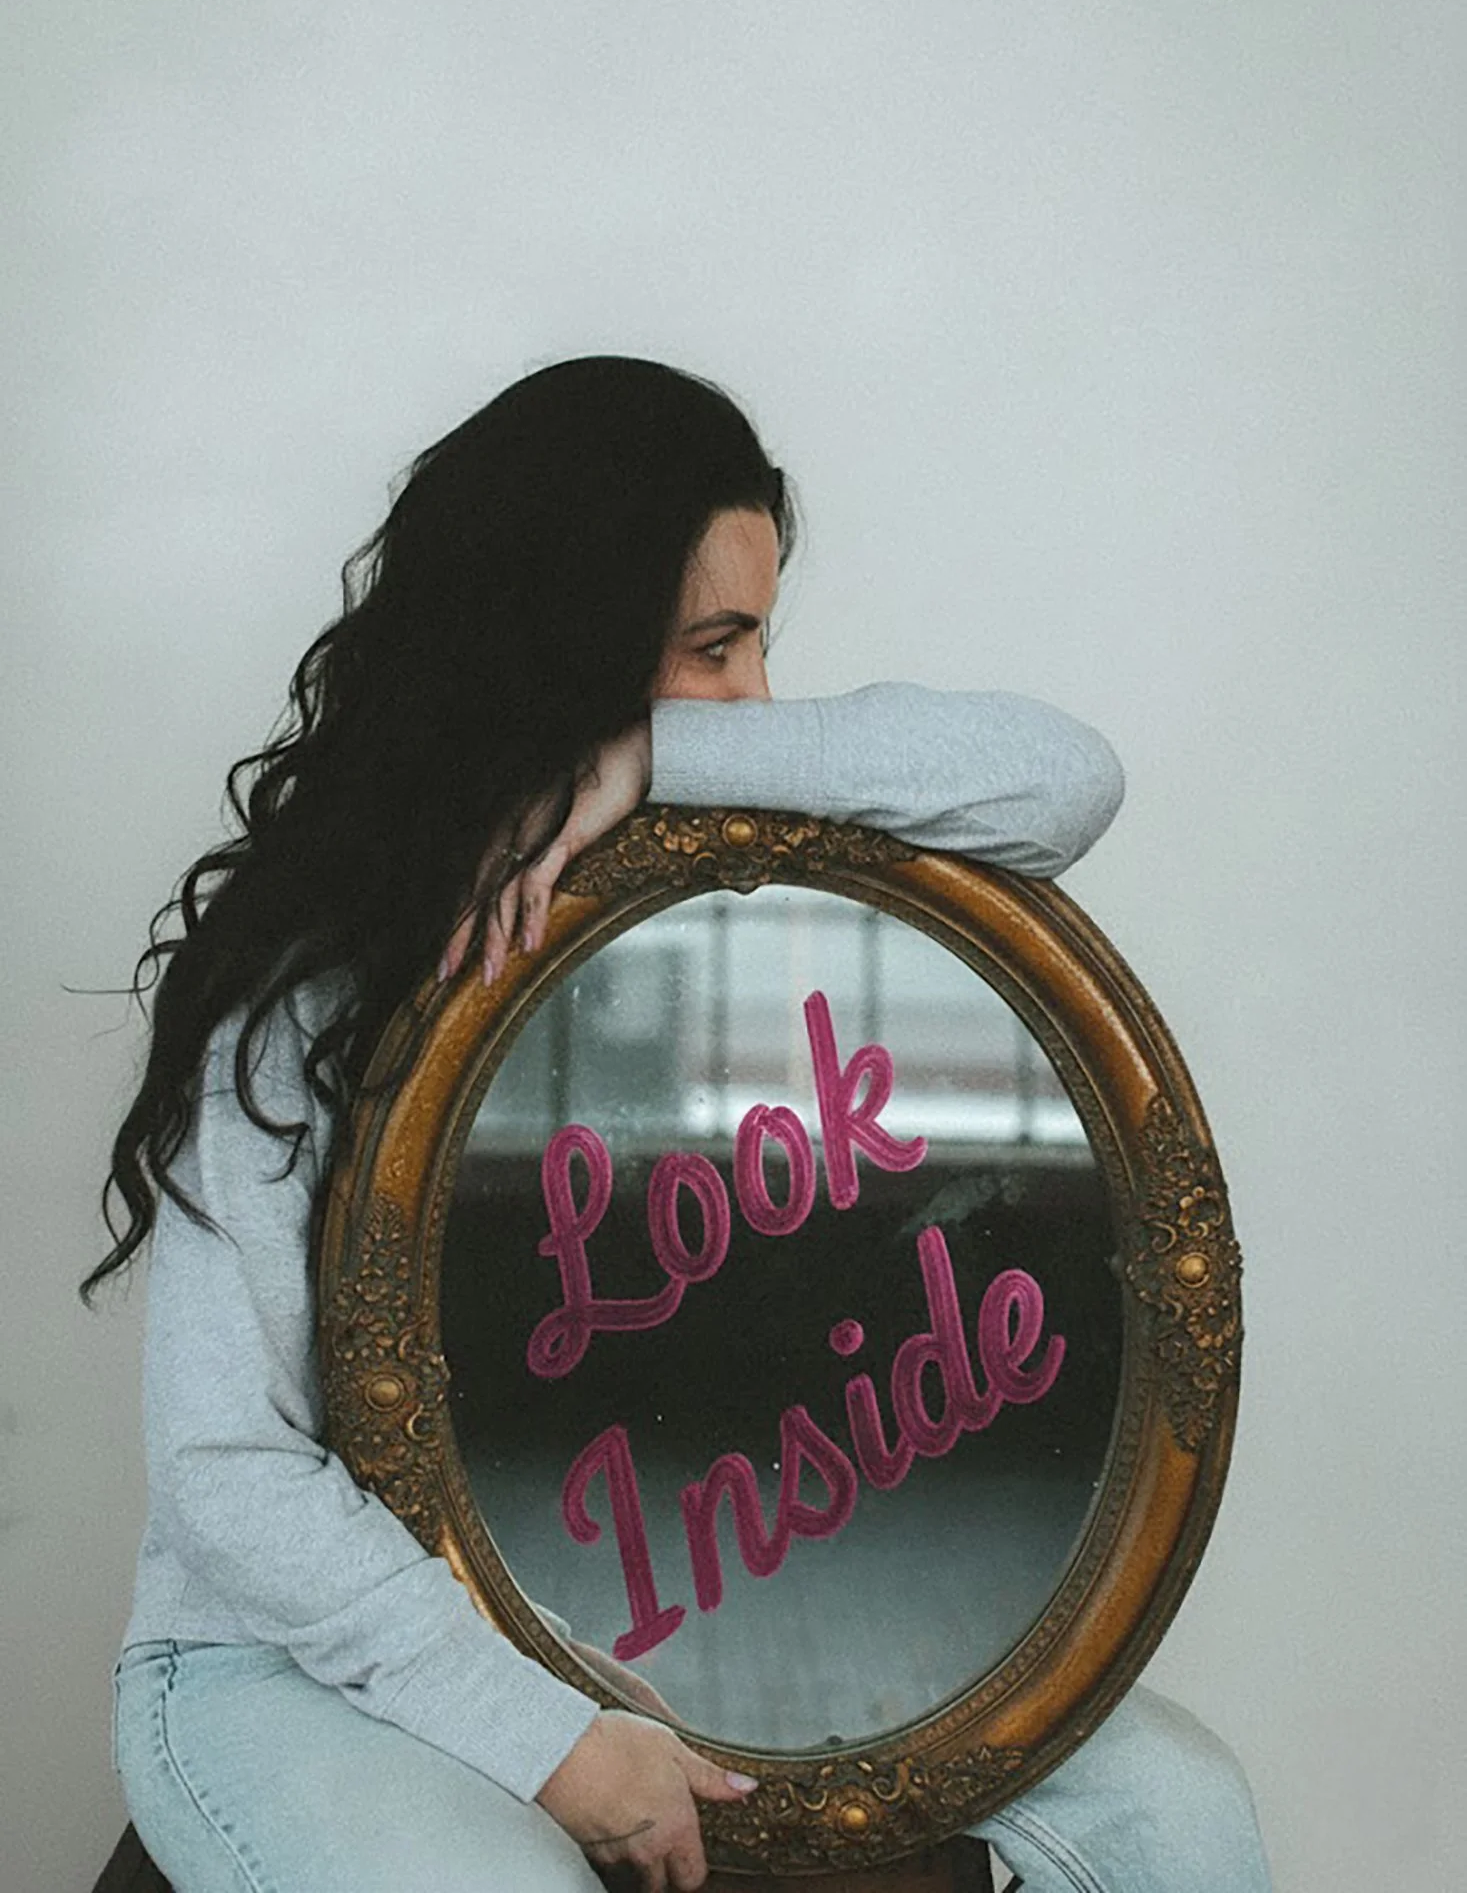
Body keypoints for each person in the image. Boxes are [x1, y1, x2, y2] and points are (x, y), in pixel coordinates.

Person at [88, 357, 1270, 1893]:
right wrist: (543, 1739)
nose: (755, 698)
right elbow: (226, 1471)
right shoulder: (305, 981)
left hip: (668, 1625)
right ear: (555, 645)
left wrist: (657, 746)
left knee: (1176, 1814)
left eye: (757, 645)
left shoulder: (696, 851)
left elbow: (1062, 780)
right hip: (278, 1667)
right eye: (709, 651)